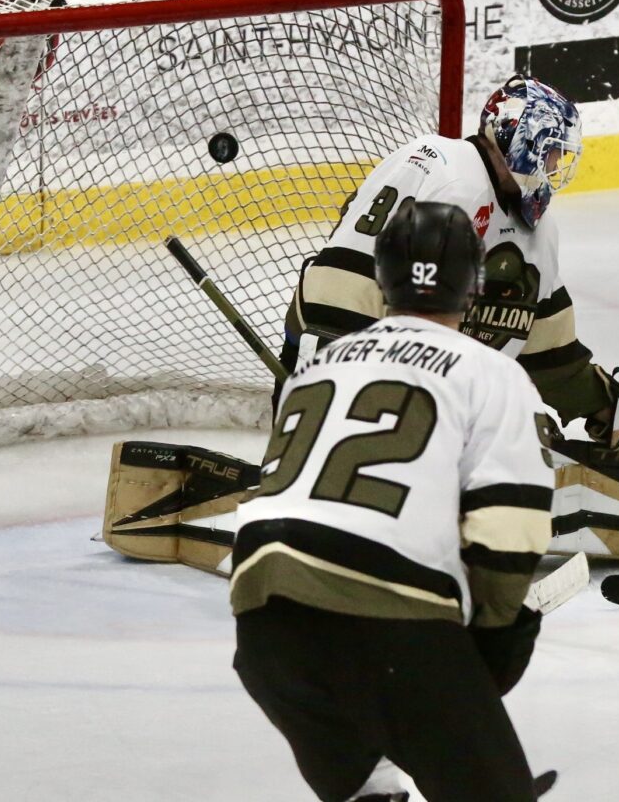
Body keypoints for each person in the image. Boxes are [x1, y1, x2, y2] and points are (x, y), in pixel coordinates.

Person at [232, 200, 554, 801]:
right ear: (474, 285)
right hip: (385, 621)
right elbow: (512, 524)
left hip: (263, 623)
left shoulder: (321, 364)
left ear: (381, 280)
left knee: (369, 792)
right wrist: (489, 635)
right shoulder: (490, 371)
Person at [285, 74, 619, 458]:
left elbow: (546, 347)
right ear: (520, 138)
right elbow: (395, 310)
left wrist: (607, 405)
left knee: (511, 311)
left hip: (340, 348)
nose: (555, 167)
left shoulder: (524, 222)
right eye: (550, 152)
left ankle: (613, 414)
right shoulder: (460, 185)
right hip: (349, 357)